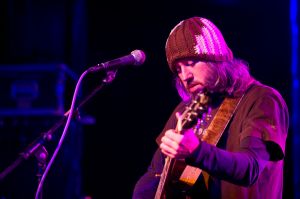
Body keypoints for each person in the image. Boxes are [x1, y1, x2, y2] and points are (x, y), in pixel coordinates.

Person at [132, 16, 289, 199]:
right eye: (178, 70)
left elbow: (250, 168)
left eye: (190, 63)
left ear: (216, 59)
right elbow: (154, 175)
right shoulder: (185, 111)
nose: (185, 76)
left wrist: (196, 151)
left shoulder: (262, 99)